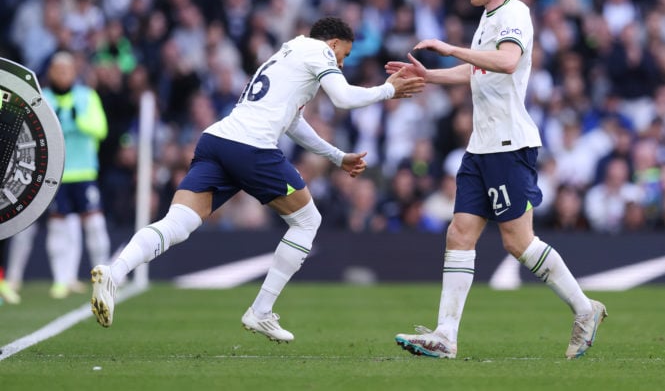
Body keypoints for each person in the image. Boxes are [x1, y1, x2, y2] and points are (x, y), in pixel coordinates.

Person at [90, 17, 424, 341]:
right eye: (345, 54)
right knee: (308, 221)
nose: (342, 61)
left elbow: (292, 123)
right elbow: (344, 98)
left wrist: (337, 156)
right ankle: (261, 311)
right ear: (334, 43)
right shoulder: (319, 52)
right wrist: (386, 91)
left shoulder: (287, 52)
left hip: (217, 140)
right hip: (252, 148)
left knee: (179, 221)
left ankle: (114, 273)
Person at [386, 0, 607, 360]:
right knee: (459, 233)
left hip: (508, 145)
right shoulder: (489, 19)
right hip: (481, 146)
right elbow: (477, 68)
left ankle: (584, 308)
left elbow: (506, 62)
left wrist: (450, 48)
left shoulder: (515, 14)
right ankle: (445, 336)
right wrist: (428, 75)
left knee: (518, 242)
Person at [7, 51, 111, 299]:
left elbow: (101, 129)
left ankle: (106, 276)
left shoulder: (87, 96)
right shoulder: (42, 99)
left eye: (67, 70)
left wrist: (79, 120)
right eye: (58, 70)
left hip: (84, 171)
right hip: (54, 174)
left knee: (95, 224)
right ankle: (61, 280)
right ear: (51, 72)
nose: (63, 75)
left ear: (74, 72)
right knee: (58, 227)